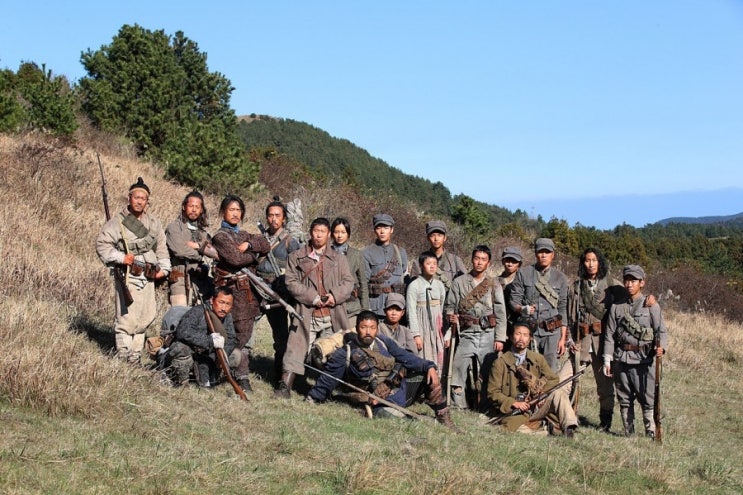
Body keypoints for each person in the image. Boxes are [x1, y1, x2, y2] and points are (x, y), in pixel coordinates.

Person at [305, 310, 459, 430]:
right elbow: (328, 380)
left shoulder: (384, 342)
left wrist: (429, 366)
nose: (368, 332)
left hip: (400, 391)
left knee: (429, 375)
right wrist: (313, 398)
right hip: (376, 402)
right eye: (364, 327)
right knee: (395, 419)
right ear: (357, 328)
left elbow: (405, 356)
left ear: (377, 329)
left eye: (372, 328)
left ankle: (443, 417)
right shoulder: (345, 353)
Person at [276, 217, 355, 398]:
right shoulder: (296, 257)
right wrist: (313, 297)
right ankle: (285, 386)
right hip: (306, 312)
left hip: (332, 313)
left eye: (323, 232)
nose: (318, 235)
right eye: (315, 231)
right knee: (295, 347)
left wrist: (333, 296)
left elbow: (349, 282)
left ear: (329, 235)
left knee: (330, 351)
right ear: (310, 232)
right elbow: (291, 282)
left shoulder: (339, 259)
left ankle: (322, 389)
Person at [96, 177, 170, 364]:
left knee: (145, 315)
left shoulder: (154, 223)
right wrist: (121, 257)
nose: (139, 201)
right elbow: (103, 245)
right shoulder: (118, 222)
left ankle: (135, 354)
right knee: (127, 316)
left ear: (147, 202)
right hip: (129, 274)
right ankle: (123, 353)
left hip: (149, 274)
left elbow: (161, 246)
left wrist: (164, 268)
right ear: (129, 198)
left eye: (143, 198)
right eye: (136, 197)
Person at [210, 195, 270, 391]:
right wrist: (253, 255)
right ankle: (223, 370)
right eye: (231, 210)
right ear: (223, 212)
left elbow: (265, 244)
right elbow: (235, 259)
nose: (235, 213)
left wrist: (250, 245)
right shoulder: (220, 237)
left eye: (238, 210)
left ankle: (241, 375)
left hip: (248, 294)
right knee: (227, 332)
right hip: (228, 293)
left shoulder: (244, 234)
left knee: (244, 336)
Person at [603, 265, 668, 438]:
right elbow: (609, 335)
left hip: (643, 360)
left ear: (642, 283)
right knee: (624, 398)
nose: (629, 284)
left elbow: (661, 331)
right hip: (622, 359)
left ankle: (651, 432)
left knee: (648, 399)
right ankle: (629, 433)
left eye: (633, 281)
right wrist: (607, 359)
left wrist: (662, 348)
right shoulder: (617, 307)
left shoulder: (651, 305)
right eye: (627, 280)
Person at [487, 318, 578, 437]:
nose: (521, 338)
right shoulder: (500, 363)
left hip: (537, 406)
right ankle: (546, 429)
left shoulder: (537, 358)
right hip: (515, 411)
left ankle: (569, 427)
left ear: (530, 339)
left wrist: (541, 394)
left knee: (559, 393)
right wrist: (514, 403)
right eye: (518, 334)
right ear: (510, 336)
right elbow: (493, 392)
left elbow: (553, 379)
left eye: (525, 335)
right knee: (512, 429)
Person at [567, 247, 625, 432]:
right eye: (587, 260)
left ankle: (605, 423)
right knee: (571, 381)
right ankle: (569, 417)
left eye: (594, 260)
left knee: (605, 386)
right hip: (581, 341)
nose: (590, 264)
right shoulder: (576, 287)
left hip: (603, 343)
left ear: (600, 262)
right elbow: (569, 318)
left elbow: (629, 306)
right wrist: (569, 339)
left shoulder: (613, 285)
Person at [445, 245, 508, 409]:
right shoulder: (459, 282)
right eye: (476, 258)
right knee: (457, 367)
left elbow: (500, 312)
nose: (479, 262)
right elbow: (449, 306)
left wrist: (500, 338)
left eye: (483, 259)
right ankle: (458, 404)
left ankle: (488, 406)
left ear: (488, 263)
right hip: (467, 334)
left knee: (489, 372)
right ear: (471, 259)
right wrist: (450, 316)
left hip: (488, 334)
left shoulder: (494, 284)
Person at [166, 286, 251, 391]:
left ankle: (214, 377)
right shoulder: (198, 311)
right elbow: (183, 332)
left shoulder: (227, 317)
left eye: (228, 304)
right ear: (212, 300)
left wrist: (222, 356)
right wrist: (209, 341)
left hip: (209, 356)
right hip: (191, 353)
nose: (224, 308)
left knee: (237, 355)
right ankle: (181, 382)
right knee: (180, 348)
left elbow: (232, 339)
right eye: (221, 302)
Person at [255, 197, 302, 382]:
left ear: (284, 219)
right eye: (270, 215)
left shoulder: (291, 242)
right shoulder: (259, 239)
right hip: (257, 289)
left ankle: (279, 375)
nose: (274, 219)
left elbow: (296, 270)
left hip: (278, 294)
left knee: (281, 337)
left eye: (278, 215)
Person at [508, 238, 569, 372]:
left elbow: (563, 309)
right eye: (540, 252)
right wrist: (522, 309)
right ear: (535, 253)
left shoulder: (561, 278)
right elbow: (514, 301)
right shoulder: (523, 273)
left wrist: (562, 338)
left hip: (552, 333)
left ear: (553, 254)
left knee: (549, 372)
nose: (543, 255)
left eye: (547, 252)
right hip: (530, 332)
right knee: (527, 370)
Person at [165, 190, 218, 307]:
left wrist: (198, 246)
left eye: (197, 207)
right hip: (178, 278)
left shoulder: (203, 232)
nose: (194, 210)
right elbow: (180, 251)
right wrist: (201, 251)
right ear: (184, 207)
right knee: (179, 315)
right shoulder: (174, 227)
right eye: (191, 206)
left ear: (201, 210)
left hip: (199, 279)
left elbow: (213, 252)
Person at [406, 252, 448, 371]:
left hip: (437, 328)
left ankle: (438, 385)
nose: (432, 266)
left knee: (439, 357)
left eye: (435, 264)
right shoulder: (414, 286)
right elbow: (411, 311)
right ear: (421, 265)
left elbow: (442, 308)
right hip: (421, 327)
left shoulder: (440, 285)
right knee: (423, 357)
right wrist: (416, 334)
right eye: (428, 263)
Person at [363, 214, 408, 316]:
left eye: (386, 228)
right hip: (376, 307)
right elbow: (364, 282)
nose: (382, 231)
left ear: (391, 230)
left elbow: (403, 272)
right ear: (375, 230)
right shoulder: (366, 252)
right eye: (379, 228)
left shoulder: (401, 252)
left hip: (396, 307)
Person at [331, 217, 370, 328]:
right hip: (332, 306)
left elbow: (363, 283)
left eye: (343, 232)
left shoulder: (356, 254)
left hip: (352, 307)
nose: (339, 235)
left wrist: (365, 309)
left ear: (348, 234)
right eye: (336, 232)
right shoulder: (326, 253)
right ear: (331, 234)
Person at [409, 220, 466, 293]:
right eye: (432, 235)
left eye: (439, 235)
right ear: (428, 238)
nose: (436, 239)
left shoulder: (455, 260)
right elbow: (413, 287)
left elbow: (465, 284)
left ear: (445, 238)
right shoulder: (419, 261)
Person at [498, 246, 523, 334]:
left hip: (518, 324)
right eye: (507, 260)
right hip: (499, 324)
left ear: (519, 264)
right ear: (503, 261)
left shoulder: (524, 282)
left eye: (514, 261)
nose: (510, 264)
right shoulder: (494, 282)